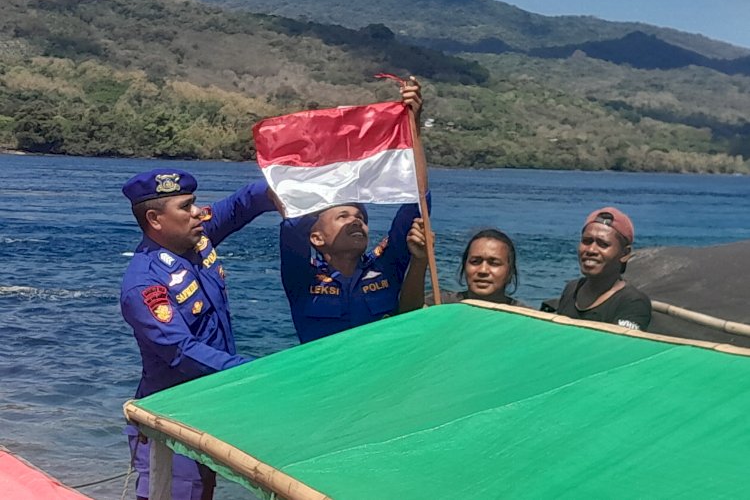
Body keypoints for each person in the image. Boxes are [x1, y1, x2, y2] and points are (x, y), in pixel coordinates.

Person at [120, 168, 277, 500]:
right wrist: (250, 372)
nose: (198, 212)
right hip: (171, 420)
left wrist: (283, 187)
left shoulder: (197, 237)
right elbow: (181, 350)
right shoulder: (144, 284)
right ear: (155, 219)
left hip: (208, 409)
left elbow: (241, 204)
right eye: (186, 206)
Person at [279, 80, 427, 343]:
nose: (355, 221)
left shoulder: (386, 266)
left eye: (360, 218)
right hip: (327, 380)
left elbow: (417, 200)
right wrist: (321, 156)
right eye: (342, 216)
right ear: (316, 238)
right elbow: (294, 223)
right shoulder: (302, 276)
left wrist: (413, 126)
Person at [554, 206, 651, 331]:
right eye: (586, 241)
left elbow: (618, 348)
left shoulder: (633, 303)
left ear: (624, 254)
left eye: (603, 244)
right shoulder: (572, 289)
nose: (591, 250)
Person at [403, 225, 525, 308]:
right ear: (464, 267)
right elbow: (408, 314)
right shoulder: (443, 304)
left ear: (510, 273)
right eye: (475, 261)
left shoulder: (527, 317)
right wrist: (419, 260)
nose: (483, 270)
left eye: (494, 263)